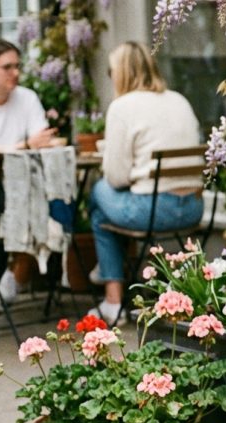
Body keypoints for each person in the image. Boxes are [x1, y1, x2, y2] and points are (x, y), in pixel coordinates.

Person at [88, 41, 202, 324]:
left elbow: (115, 177)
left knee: (99, 193)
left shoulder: (122, 107)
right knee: (105, 210)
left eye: (110, 70)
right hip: (192, 209)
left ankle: (112, 298)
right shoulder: (179, 99)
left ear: (122, 72)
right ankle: (122, 276)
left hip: (152, 212)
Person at [0, 38, 58, 304]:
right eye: (7, 67)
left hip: (22, 184)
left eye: (18, 66)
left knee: (58, 195)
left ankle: (13, 278)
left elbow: (43, 143)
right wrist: (26, 145)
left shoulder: (27, 98)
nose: (16, 73)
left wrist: (24, 148)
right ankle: (1, 282)